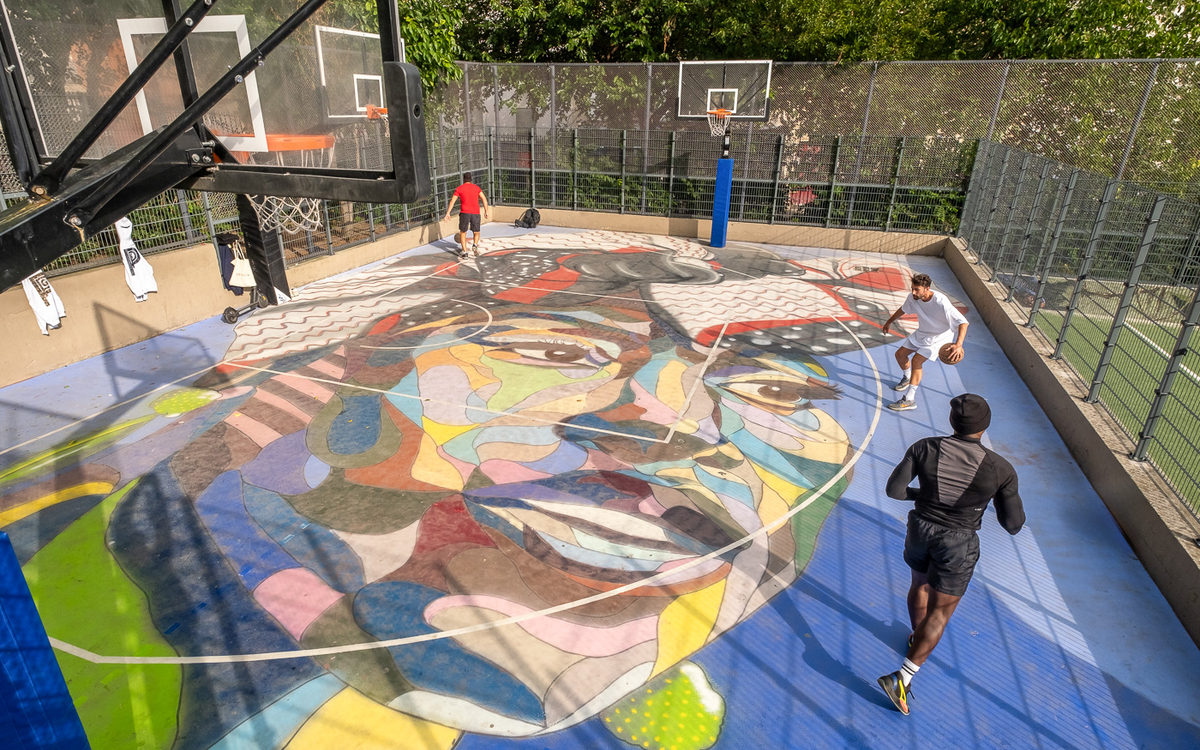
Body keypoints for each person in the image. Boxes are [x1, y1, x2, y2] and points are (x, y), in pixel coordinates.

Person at [877, 393, 1025, 715]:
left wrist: (927, 497)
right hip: (957, 543)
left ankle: (918, 638)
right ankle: (902, 678)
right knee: (940, 613)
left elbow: (895, 491)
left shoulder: (924, 447)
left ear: (952, 422)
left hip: (920, 528)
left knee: (920, 583)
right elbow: (1013, 524)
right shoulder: (1000, 469)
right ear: (984, 427)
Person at [881, 273, 968, 411]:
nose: (913, 292)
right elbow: (903, 309)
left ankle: (909, 399)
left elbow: (963, 322)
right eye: (912, 288)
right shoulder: (913, 297)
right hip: (922, 333)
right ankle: (907, 377)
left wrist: (958, 344)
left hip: (939, 338)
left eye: (917, 289)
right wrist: (889, 322)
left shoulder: (941, 301)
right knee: (900, 355)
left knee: (916, 361)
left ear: (927, 289)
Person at [443, 171, 491, 258]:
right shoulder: (476, 188)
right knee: (476, 232)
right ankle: (475, 245)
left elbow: (452, 201)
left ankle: (465, 253)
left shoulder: (459, 189)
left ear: (464, 179)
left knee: (463, 232)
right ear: (471, 179)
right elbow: (484, 198)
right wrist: (486, 211)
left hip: (465, 213)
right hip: (475, 213)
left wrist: (448, 213)